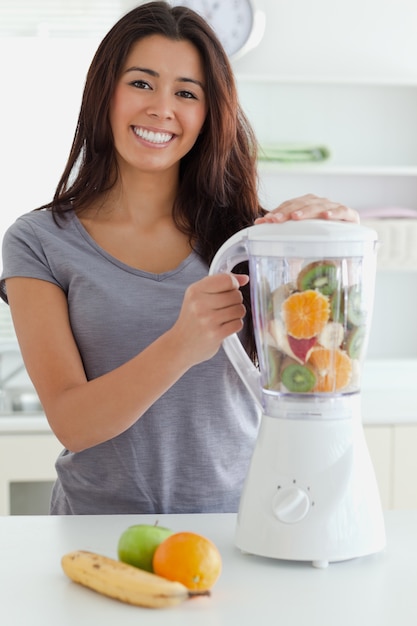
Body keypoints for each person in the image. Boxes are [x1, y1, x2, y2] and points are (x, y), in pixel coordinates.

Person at [0, 2, 359, 515]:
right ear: (105, 92)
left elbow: (320, 372)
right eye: (142, 84)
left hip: (242, 528)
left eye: (186, 93)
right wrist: (182, 343)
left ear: (209, 114)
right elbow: (72, 423)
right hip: (97, 535)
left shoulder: (254, 239)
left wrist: (332, 247)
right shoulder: (39, 241)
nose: (161, 108)